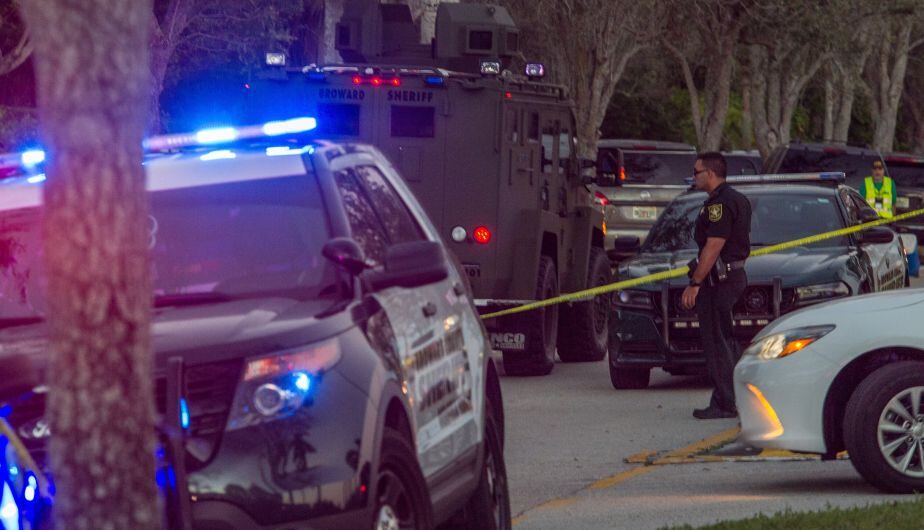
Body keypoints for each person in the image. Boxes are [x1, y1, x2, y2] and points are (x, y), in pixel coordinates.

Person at [681, 152, 752, 419]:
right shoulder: (736, 199)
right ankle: (732, 397)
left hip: (719, 281)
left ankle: (725, 403)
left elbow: (714, 245)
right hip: (731, 277)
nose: (693, 176)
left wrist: (695, 282)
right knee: (727, 341)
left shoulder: (719, 204)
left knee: (717, 342)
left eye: (696, 172)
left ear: (710, 173)